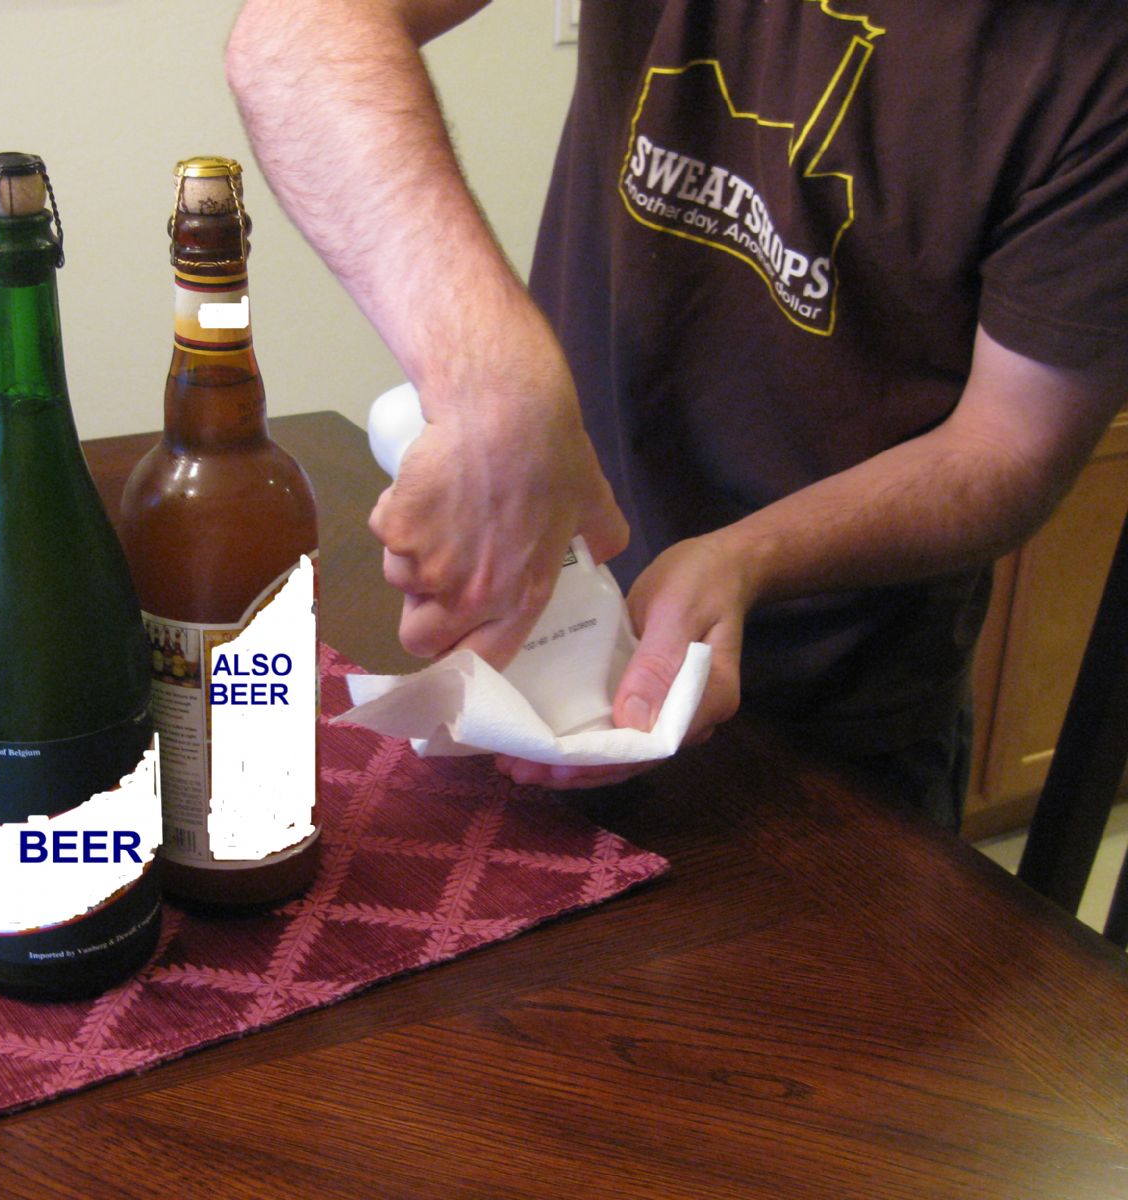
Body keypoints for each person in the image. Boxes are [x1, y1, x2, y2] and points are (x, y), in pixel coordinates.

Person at [225, 0, 1128, 826]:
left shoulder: (1094, 61)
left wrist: (745, 557)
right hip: (536, 632)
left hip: (835, 724)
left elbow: (1012, 444)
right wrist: (495, 384)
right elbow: (300, 34)